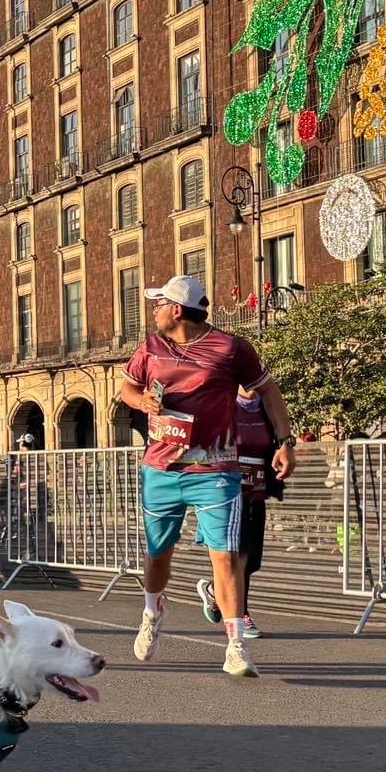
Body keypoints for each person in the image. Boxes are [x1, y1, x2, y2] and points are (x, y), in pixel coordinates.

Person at [119, 275, 296, 680]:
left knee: (226, 556)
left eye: (158, 303)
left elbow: (269, 390)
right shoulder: (150, 348)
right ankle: (152, 613)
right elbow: (127, 389)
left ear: (176, 310)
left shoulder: (232, 349)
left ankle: (235, 647)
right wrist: (142, 399)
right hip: (161, 467)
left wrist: (285, 441)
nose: (154, 311)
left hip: (215, 469)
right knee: (158, 554)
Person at [196, 387, 283, 639]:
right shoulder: (221, 402)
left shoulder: (266, 405)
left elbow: (278, 438)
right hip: (225, 489)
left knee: (252, 557)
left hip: (256, 488)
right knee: (237, 554)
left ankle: (214, 591)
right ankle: (240, 613)